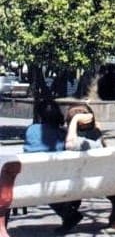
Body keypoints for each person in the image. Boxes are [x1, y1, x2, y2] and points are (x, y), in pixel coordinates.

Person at [23, 100, 83, 233]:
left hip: (36, 180)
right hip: (64, 179)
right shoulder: (63, 134)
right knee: (53, 181)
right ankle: (69, 213)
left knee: (46, 183)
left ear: (40, 115)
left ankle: (69, 215)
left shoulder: (31, 130)